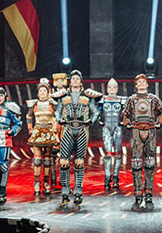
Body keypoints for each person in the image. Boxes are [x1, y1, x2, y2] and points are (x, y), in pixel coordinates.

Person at [53, 70, 100, 205]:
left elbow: (95, 112)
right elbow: (57, 111)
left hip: (82, 130)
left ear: (81, 81)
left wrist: (91, 121)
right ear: (69, 81)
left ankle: (78, 191)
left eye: (77, 78)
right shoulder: (63, 96)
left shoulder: (88, 96)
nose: (75, 80)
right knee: (64, 162)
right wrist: (59, 119)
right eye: (72, 78)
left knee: (79, 162)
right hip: (67, 129)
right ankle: (65, 190)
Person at [122, 74, 162, 210]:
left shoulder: (153, 99)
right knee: (136, 163)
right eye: (139, 82)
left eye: (143, 81)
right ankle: (138, 193)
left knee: (150, 163)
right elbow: (125, 114)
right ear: (136, 85)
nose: (141, 84)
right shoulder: (131, 100)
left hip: (150, 131)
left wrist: (159, 122)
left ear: (147, 84)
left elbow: (161, 112)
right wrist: (127, 123)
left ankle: (149, 193)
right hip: (136, 132)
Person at [26, 78, 59, 197]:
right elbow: (29, 116)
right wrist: (30, 127)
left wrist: (56, 127)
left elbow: (58, 115)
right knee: (37, 160)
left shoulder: (52, 104)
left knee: (47, 160)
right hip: (38, 131)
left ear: (48, 92)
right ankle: (36, 183)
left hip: (49, 131)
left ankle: (46, 183)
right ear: (38, 93)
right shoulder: (34, 104)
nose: (43, 93)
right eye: (41, 91)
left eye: (45, 90)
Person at [98, 78, 126, 189]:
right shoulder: (103, 99)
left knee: (117, 153)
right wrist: (99, 119)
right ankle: (107, 177)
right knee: (108, 153)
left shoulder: (121, 99)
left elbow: (127, 111)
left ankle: (115, 178)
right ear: (107, 88)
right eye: (110, 87)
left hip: (117, 127)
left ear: (117, 88)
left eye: (114, 87)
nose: (112, 89)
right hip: (106, 127)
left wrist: (125, 121)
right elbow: (98, 110)